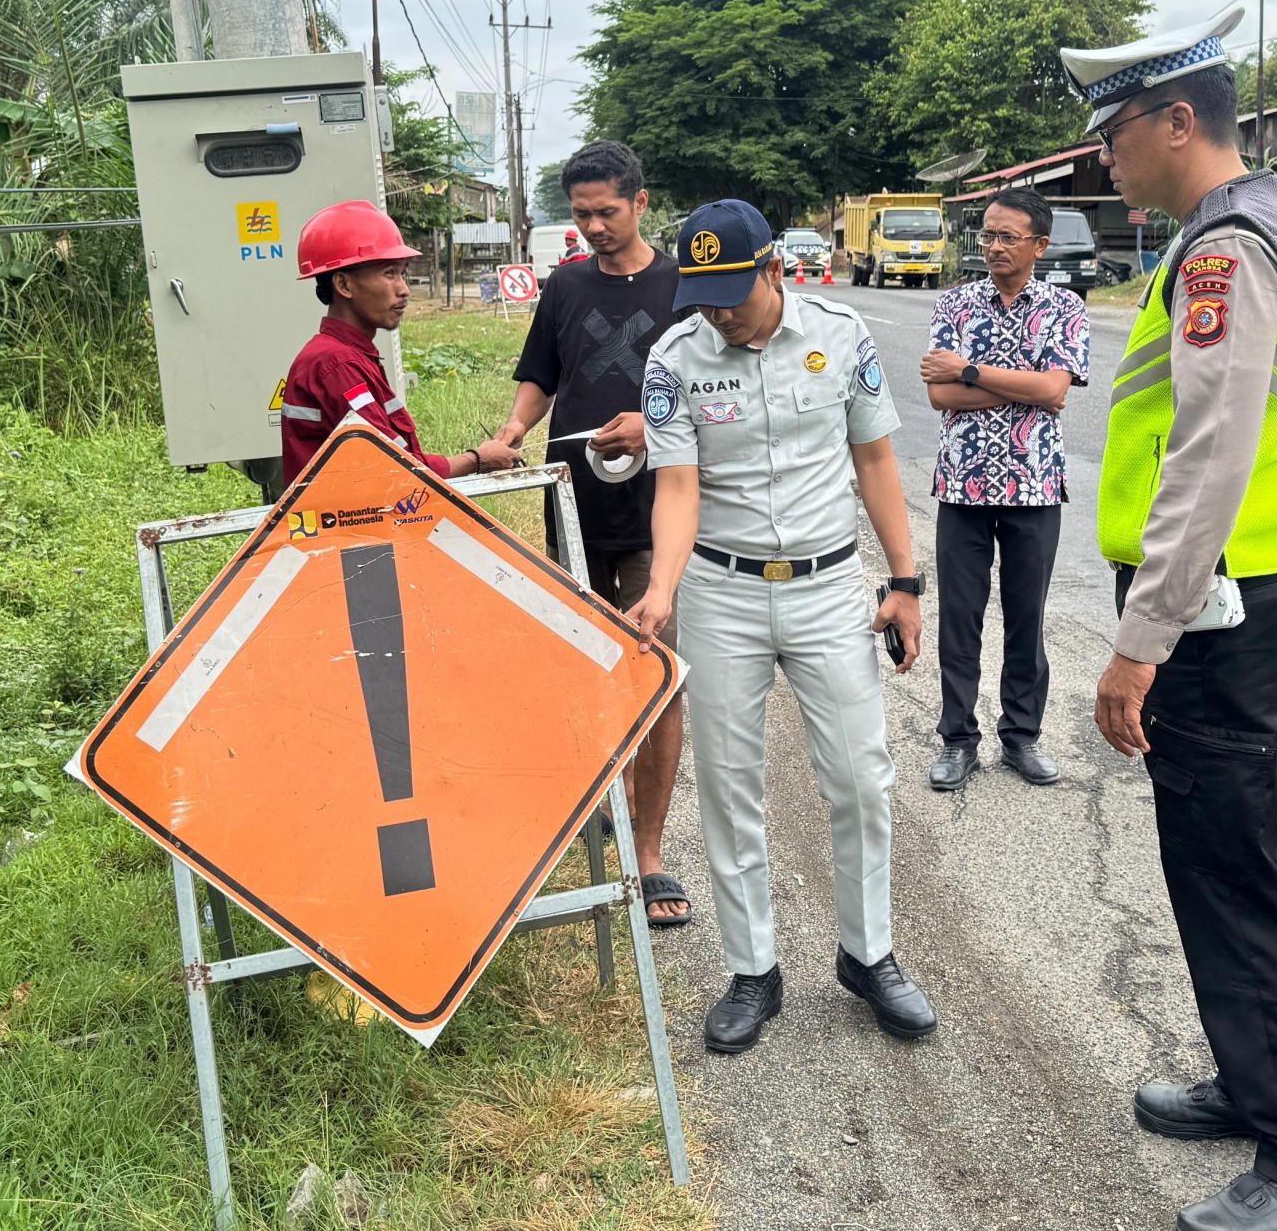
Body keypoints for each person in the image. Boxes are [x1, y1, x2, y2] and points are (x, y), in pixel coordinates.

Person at [1060, 1, 1277, 1231]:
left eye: (1118, 133)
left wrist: (1143, 638)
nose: (1106, 159)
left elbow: (1207, 460)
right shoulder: (1248, 228)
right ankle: (1253, 1086)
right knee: (1211, 865)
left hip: (1221, 608)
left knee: (1234, 878)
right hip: (1245, 595)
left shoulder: (1221, 251)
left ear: (1177, 120)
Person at [623, 200, 936, 1055]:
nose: (718, 310)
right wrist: (663, 588)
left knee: (861, 778)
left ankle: (868, 956)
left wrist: (905, 582)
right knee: (729, 784)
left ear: (773, 268)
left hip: (829, 587)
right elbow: (677, 488)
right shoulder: (674, 358)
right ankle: (752, 970)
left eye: (733, 290)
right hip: (723, 594)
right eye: (704, 293)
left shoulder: (841, 333)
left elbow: (875, 461)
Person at [490, 142, 691, 931]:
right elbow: (543, 373)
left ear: (642, 203)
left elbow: (713, 389)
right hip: (570, 501)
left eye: (607, 211)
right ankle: (589, 812)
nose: (595, 227)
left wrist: (656, 422)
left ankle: (649, 853)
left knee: (658, 669)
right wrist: (513, 427)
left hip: (659, 509)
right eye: (581, 215)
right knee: (581, 663)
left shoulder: (681, 285)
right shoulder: (566, 284)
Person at [918, 185, 1091, 791]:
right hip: (961, 483)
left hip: (1034, 486)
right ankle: (958, 740)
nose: (992, 246)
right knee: (960, 618)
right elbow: (939, 396)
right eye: (986, 235)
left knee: (1026, 618)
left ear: (1039, 245)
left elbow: (1055, 392)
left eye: (1006, 237)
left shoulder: (1065, 308)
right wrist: (1023, 384)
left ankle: (1021, 737)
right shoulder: (955, 304)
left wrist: (971, 372)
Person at [279, 199, 520, 489]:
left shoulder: (348, 356)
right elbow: (396, 467)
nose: (404, 289)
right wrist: (477, 459)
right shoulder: (336, 364)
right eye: (388, 273)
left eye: (403, 273)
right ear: (343, 286)